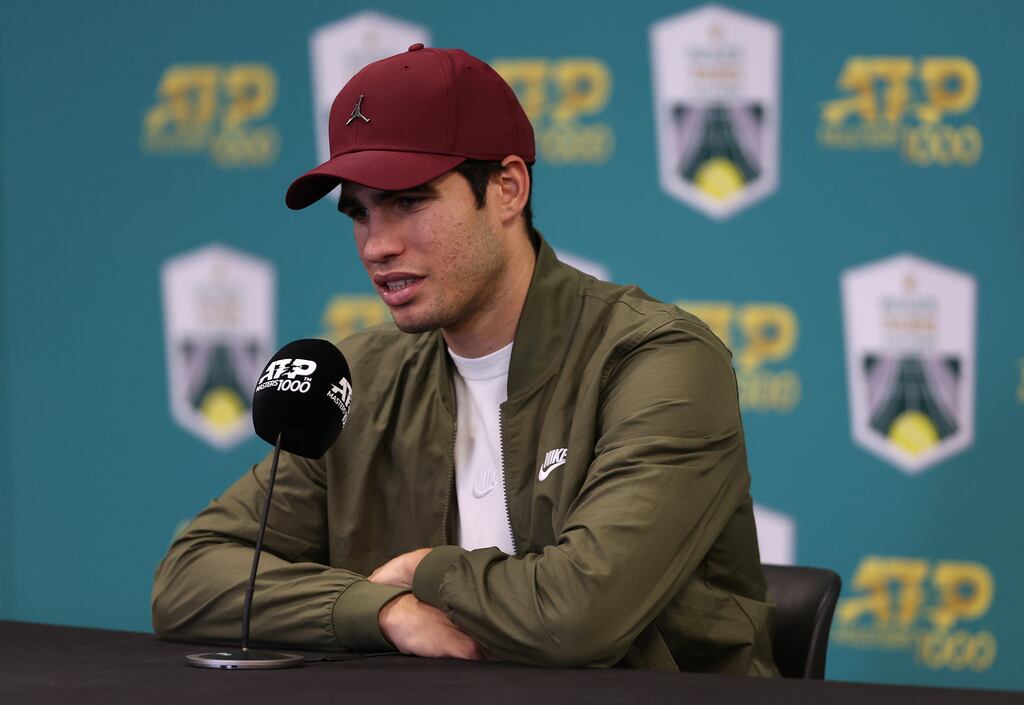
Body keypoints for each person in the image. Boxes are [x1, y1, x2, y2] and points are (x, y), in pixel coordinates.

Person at [152, 45, 777, 674]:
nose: (378, 245)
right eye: (360, 213)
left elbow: (575, 618)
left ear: (507, 188)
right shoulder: (359, 377)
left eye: (409, 202)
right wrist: (382, 611)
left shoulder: (658, 358)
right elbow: (188, 578)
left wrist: (426, 571)